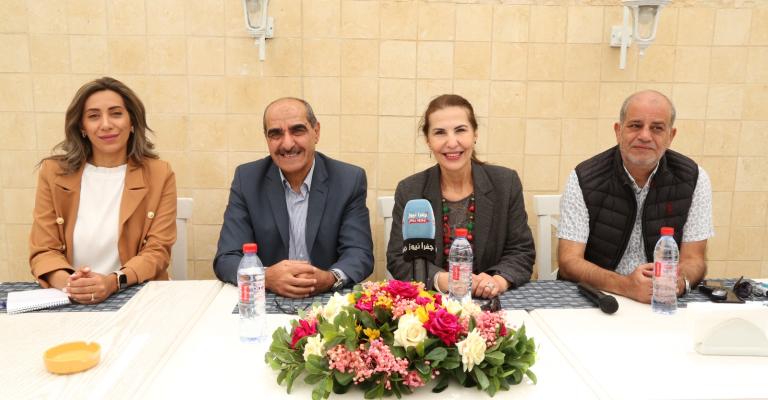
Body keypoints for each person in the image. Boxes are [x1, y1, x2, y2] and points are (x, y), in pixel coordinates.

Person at [29, 77, 177, 304]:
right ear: (82, 126)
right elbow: (43, 250)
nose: (106, 124)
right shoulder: (54, 173)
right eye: (93, 116)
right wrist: (73, 284)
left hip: (135, 295)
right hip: (68, 296)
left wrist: (112, 282)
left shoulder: (159, 173)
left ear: (132, 121)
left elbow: (158, 251)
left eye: (116, 113)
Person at [557, 90, 713, 303]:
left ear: (671, 136)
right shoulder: (583, 178)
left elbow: (694, 259)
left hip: (661, 299)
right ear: (618, 130)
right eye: (635, 125)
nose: (645, 136)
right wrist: (625, 286)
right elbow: (569, 261)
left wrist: (678, 282)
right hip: (600, 297)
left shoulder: (695, 178)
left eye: (657, 128)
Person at [213, 97, 373, 298]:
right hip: (266, 297)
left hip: (328, 300)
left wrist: (330, 278)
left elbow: (358, 253)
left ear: (316, 132)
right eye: (276, 134)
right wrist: (265, 277)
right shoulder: (247, 180)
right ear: (267, 139)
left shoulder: (348, 180)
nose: (287, 144)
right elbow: (227, 258)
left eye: (297, 130)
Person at [387, 94, 535, 299]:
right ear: (428, 141)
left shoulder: (505, 183)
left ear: (475, 134)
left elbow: (521, 251)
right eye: (440, 132)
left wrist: (497, 281)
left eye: (460, 130)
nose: (451, 142)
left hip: (493, 299)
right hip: (434, 302)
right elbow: (399, 259)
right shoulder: (411, 190)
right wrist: (443, 280)